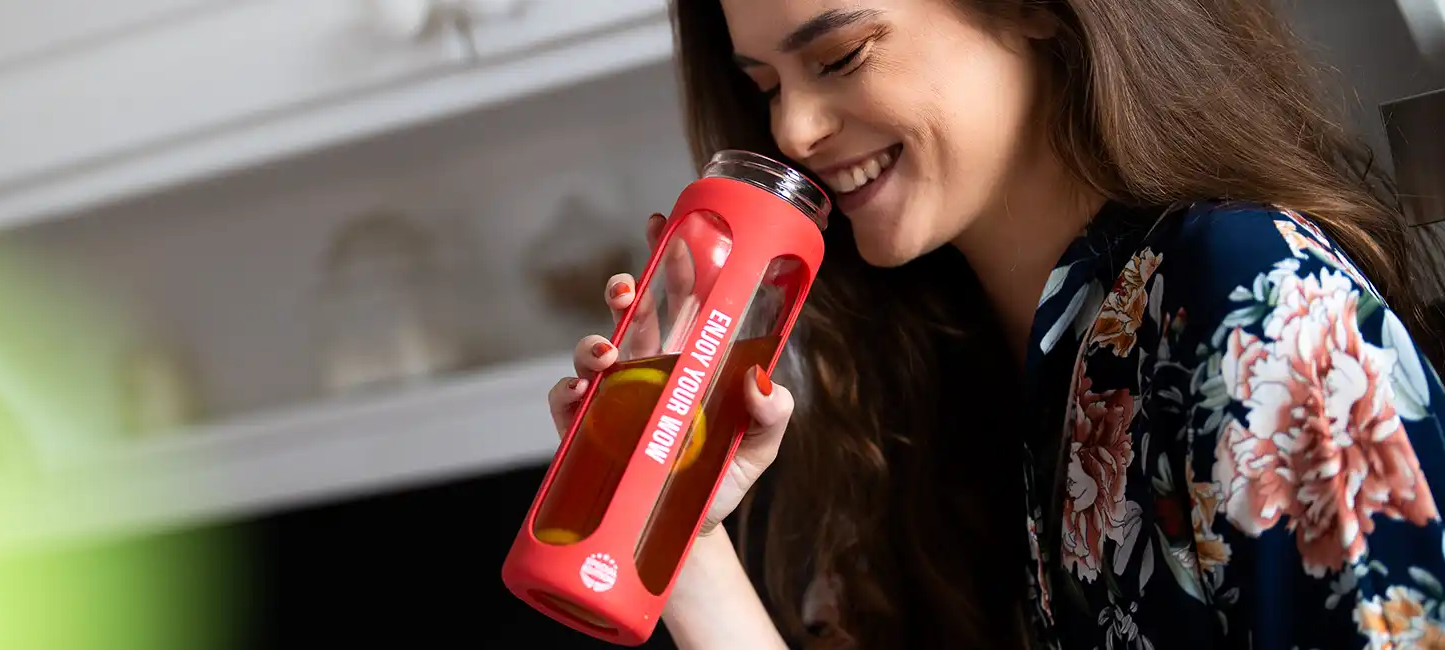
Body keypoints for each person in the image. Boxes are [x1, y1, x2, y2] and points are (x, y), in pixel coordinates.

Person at [542, 0, 1445, 648]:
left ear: (1031, 9)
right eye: (766, 84)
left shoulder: (1250, 296)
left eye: (842, 56)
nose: (793, 130)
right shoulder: (925, 398)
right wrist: (679, 532)